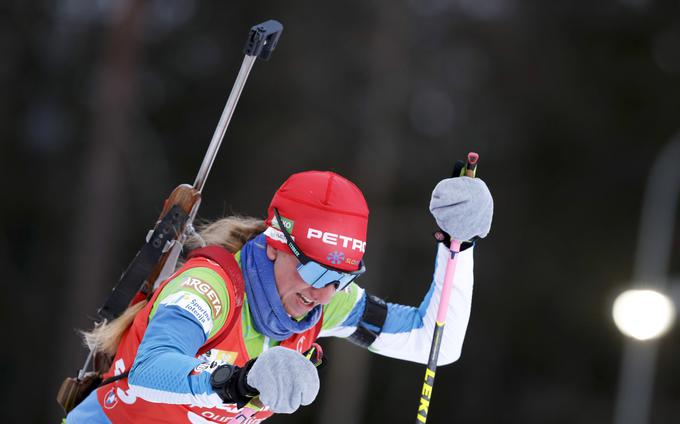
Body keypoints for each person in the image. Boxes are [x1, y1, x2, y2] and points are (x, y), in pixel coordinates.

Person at [66, 170, 493, 423]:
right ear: (275, 243)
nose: (322, 292)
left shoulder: (322, 302)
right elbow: (151, 369)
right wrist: (237, 380)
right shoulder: (210, 288)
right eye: (315, 269)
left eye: (341, 277)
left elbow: (433, 342)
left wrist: (459, 244)